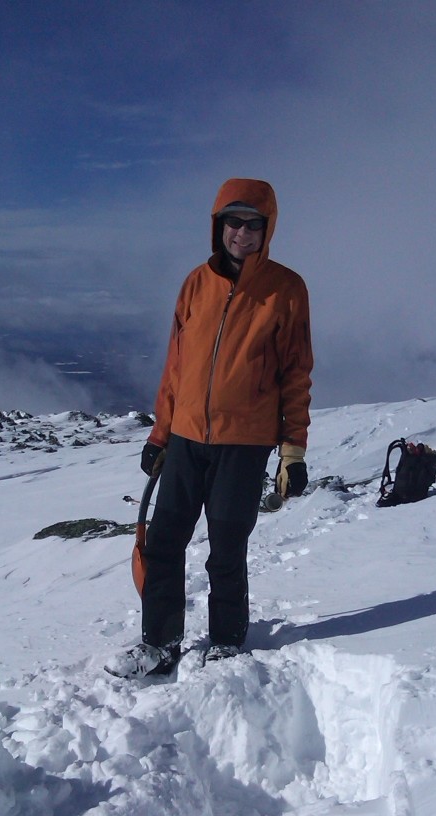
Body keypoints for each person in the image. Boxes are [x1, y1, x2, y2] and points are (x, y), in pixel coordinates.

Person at [105, 178, 313, 679]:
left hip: (245, 443)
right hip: (185, 438)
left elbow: (296, 374)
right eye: (232, 222)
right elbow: (177, 368)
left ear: (268, 229)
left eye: (253, 223)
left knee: (226, 545)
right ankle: (159, 643)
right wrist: (160, 435)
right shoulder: (195, 284)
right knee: (163, 542)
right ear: (218, 226)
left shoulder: (286, 289)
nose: (241, 233)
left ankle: (224, 641)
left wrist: (292, 450)